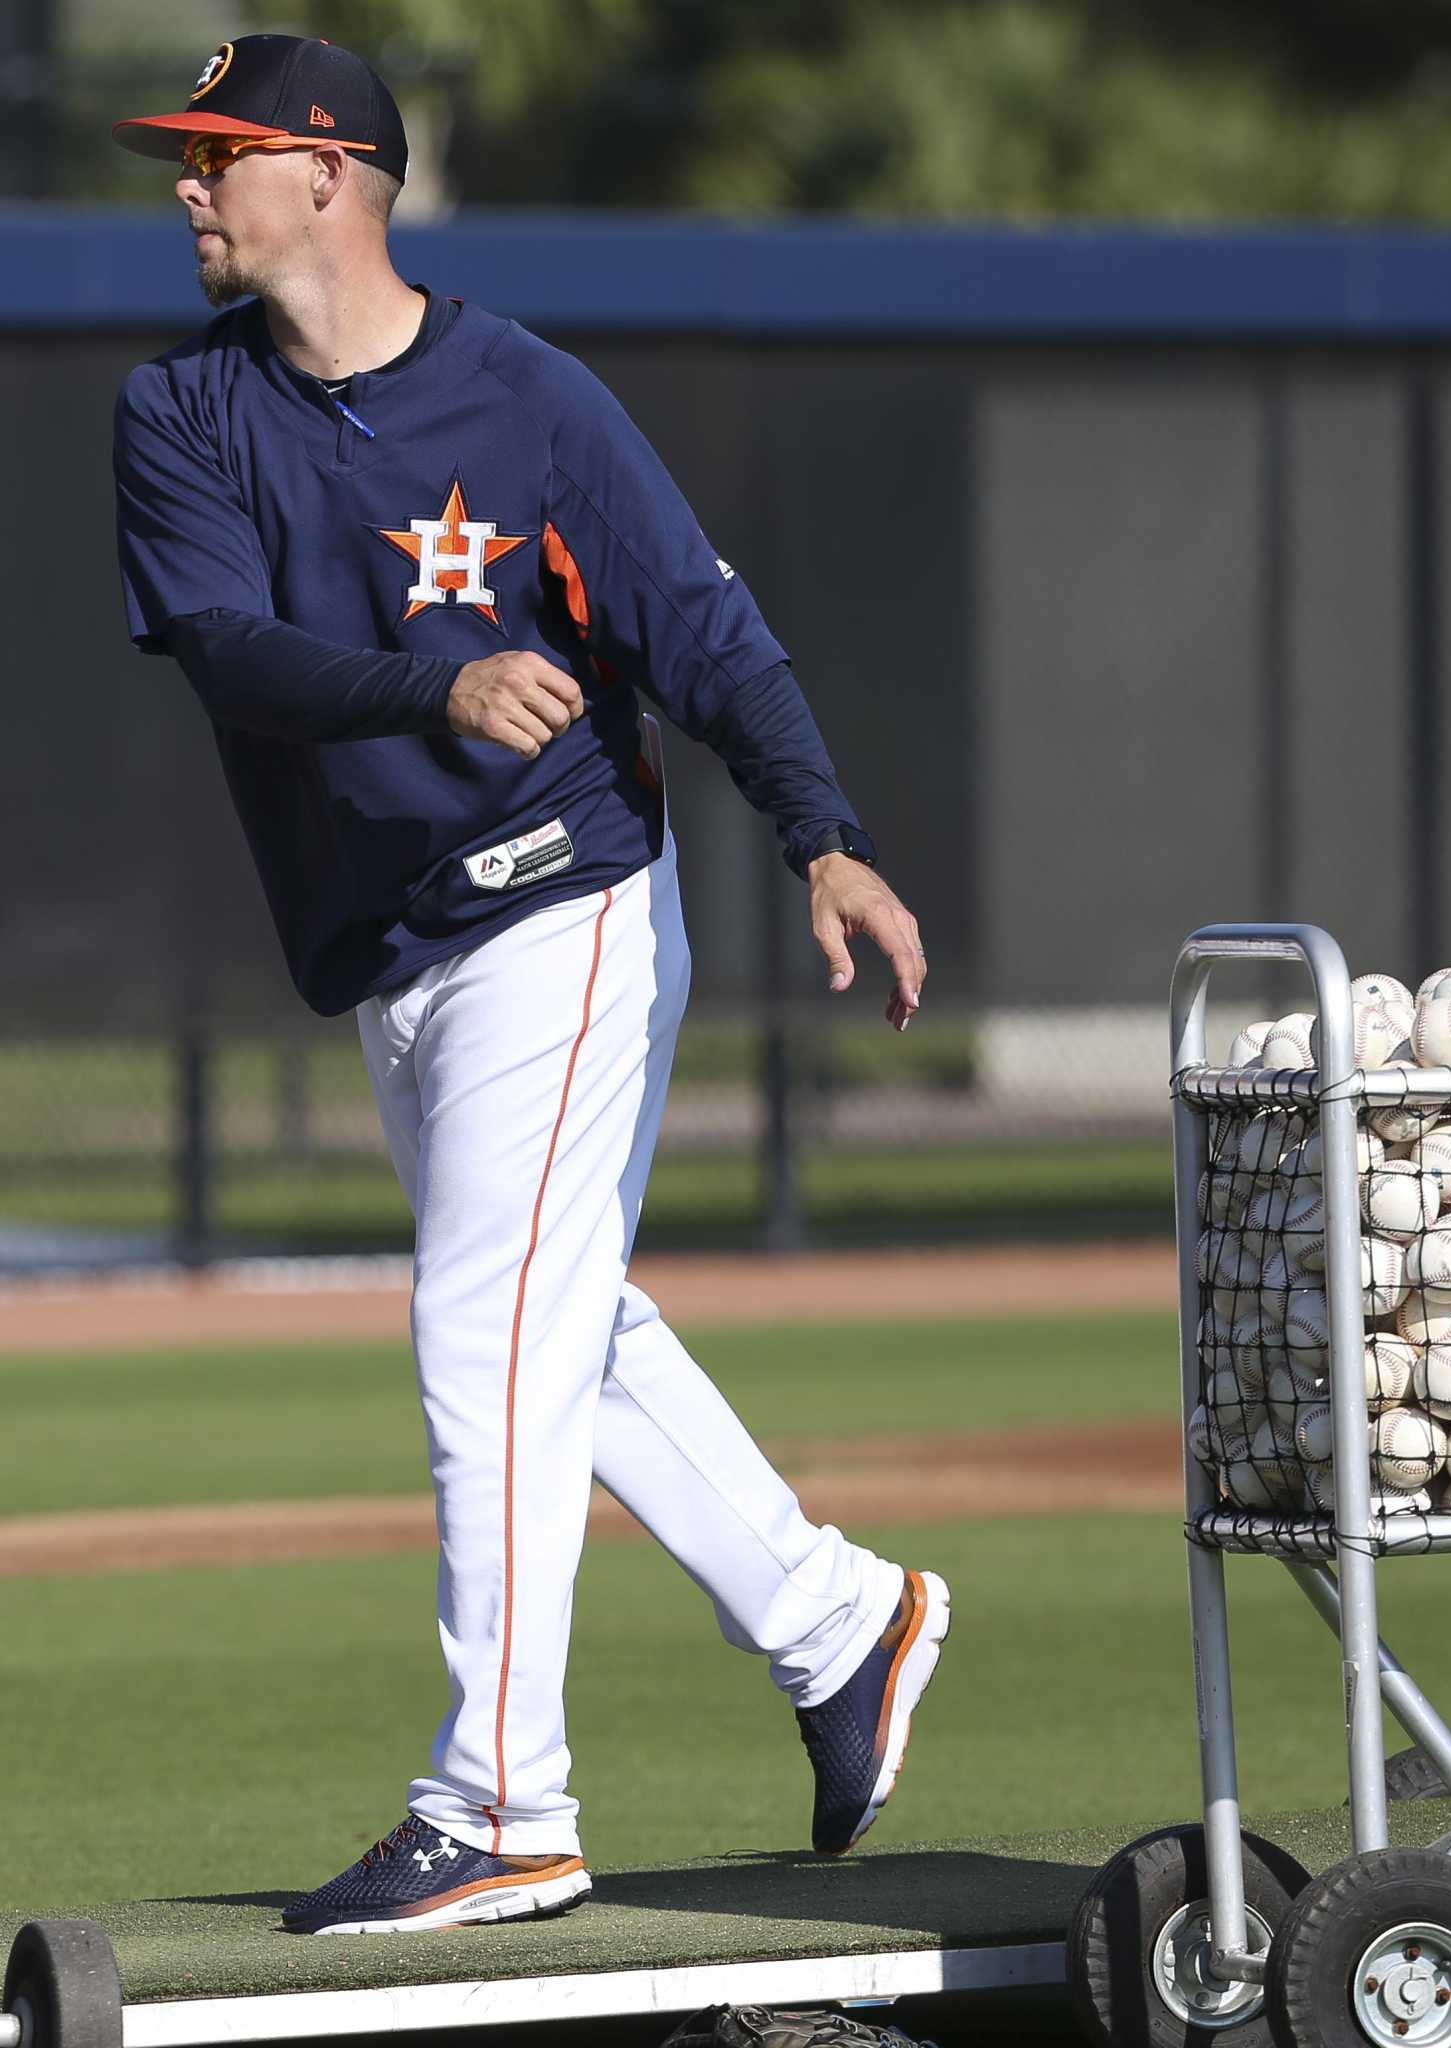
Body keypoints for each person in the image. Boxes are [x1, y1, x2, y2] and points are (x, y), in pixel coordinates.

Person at [109, 34, 949, 1937]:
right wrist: (435, 681)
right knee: (556, 1328)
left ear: (326, 173)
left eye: (215, 153)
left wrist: (823, 836)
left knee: (484, 1323)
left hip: (563, 901)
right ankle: (841, 1620)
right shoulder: (181, 412)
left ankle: (501, 1802)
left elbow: (703, 631)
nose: (184, 183)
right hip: (398, 941)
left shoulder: (530, 398)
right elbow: (233, 652)